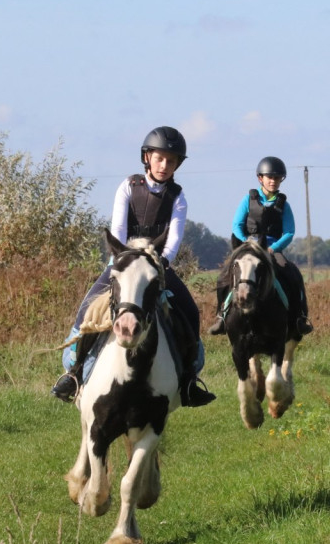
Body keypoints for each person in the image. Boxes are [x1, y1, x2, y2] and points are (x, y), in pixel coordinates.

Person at [51, 126, 217, 407]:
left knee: (189, 311)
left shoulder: (178, 197)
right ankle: (74, 374)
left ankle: (188, 381)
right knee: (86, 309)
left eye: (171, 161)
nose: (164, 166)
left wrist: (159, 263)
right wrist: (125, 258)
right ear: (147, 157)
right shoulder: (128, 186)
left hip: (156, 265)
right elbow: (118, 230)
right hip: (123, 261)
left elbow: (173, 241)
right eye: (160, 158)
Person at [208, 156, 314, 337]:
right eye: (269, 177)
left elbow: (289, 232)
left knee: (291, 273)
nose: (273, 181)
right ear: (260, 179)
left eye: (277, 178)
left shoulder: (284, 205)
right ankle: (221, 316)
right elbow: (236, 226)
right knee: (224, 277)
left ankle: (299, 318)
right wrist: (246, 243)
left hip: (272, 247)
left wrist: (274, 248)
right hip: (248, 247)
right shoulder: (247, 200)